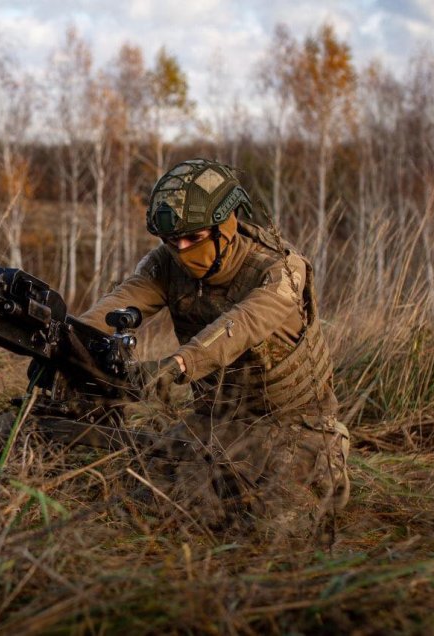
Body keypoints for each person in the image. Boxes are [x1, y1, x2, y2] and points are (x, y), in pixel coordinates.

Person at [78, 159, 350, 531]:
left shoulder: (281, 271)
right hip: (217, 422)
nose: (182, 250)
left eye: (194, 238)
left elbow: (244, 323)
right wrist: (71, 338)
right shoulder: (167, 264)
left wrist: (178, 364)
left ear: (228, 224)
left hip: (296, 425)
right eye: (172, 241)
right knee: (143, 499)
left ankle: (329, 458)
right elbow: (120, 302)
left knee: (274, 527)